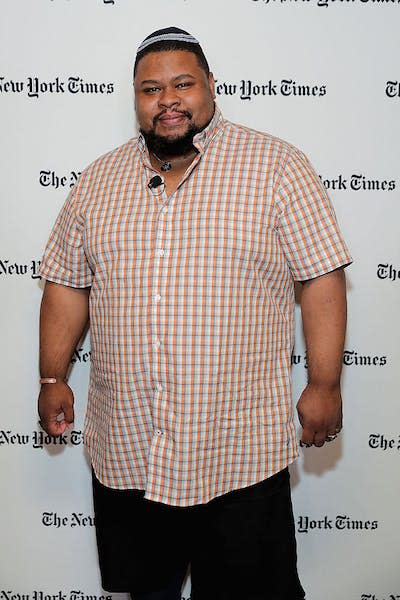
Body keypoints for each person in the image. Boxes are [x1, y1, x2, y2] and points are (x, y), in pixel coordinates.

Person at [38, 27, 352, 600]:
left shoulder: (277, 167)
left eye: (182, 84)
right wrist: (53, 375)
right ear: (135, 99)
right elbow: (66, 285)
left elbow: (323, 277)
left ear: (211, 86)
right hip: (130, 447)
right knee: (148, 591)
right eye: (150, 89)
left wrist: (325, 383)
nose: (168, 100)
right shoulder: (97, 182)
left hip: (240, 451)